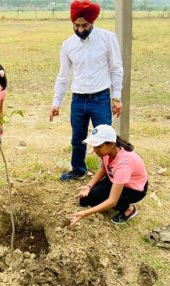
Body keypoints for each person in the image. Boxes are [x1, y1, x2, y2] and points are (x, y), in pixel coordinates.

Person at [49, 0, 123, 181]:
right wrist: (56, 103)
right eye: (77, 25)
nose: (81, 30)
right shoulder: (67, 45)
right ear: (72, 23)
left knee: (105, 140)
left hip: (101, 98)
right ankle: (78, 171)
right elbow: (63, 76)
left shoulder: (108, 38)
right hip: (78, 100)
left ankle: (108, 174)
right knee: (78, 138)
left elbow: (116, 68)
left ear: (92, 22)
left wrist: (117, 97)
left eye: (85, 25)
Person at [69, 125, 148, 225]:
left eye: (98, 146)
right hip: (115, 179)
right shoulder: (109, 152)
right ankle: (104, 201)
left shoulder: (123, 163)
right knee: (85, 199)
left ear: (111, 144)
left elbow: (112, 201)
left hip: (133, 189)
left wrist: (84, 214)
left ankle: (129, 209)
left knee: (107, 200)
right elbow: (104, 168)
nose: (95, 150)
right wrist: (89, 186)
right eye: (94, 146)